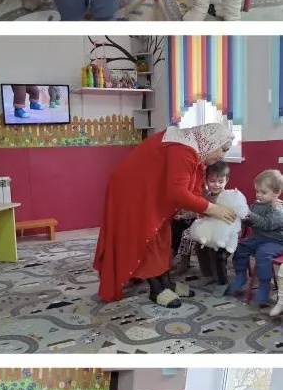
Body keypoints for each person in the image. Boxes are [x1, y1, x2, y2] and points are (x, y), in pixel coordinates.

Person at [94, 123, 238, 309]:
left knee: (163, 235)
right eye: (222, 149)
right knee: (148, 236)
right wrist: (212, 209)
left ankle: (166, 283)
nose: (222, 156)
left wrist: (199, 208)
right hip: (131, 190)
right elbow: (177, 192)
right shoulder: (184, 151)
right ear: (212, 142)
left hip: (148, 190)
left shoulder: (194, 152)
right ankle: (156, 289)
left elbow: (188, 189)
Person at [227, 169, 283, 310]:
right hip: (259, 238)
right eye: (257, 191)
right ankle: (241, 275)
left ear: (277, 192)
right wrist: (243, 217)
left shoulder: (278, 209)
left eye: (263, 192)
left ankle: (264, 284)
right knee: (240, 247)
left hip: (275, 242)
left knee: (263, 253)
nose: (258, 195)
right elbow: (253, 223)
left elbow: (266, 224)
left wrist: (249, 214)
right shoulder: (257, 204)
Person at [172, 161, 231, 282]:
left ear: (227, 180)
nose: (216, 185)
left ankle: (220, 279)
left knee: (214, 252)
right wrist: (183, 216)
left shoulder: (228, 197)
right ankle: (207, 274)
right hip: (207, 231)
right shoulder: (207, 196)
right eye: (212, 181)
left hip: (222, 234)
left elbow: (232, 217)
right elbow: (197, 211)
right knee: (199, 247)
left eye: (220, 181)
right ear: (206, 180)